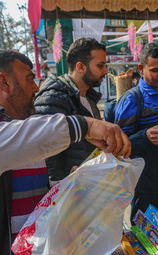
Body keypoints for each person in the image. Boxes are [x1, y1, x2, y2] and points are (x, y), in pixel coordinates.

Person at [0, 49, 131, 255]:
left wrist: (67, 188)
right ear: (4, 82)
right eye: (30, 79)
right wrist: (83, 126)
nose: (36, 87)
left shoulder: (19, 121)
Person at [115, 43, 158, 224]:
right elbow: (118, 147)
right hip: (146, 187)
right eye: (155, 70)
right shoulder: (132, 100)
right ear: (141, 69)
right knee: (145, 242)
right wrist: (144, 136)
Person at [34, 37, 107, 182]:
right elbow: (46, 146)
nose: (105, 71)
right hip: (68, 187)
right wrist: (57, 183)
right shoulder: (55, 96)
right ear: (80, 67)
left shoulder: (90, 97)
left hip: (88, 181)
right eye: (100, 65)